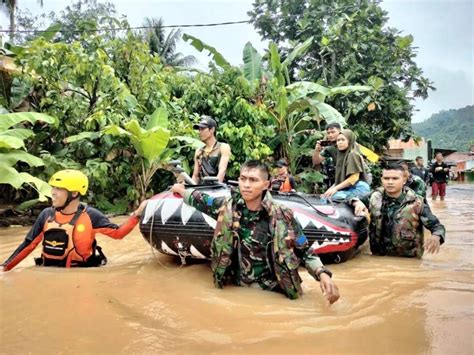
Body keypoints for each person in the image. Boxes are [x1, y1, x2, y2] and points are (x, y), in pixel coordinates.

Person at [171, 160, 340, 303]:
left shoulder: (282, 215)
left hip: (274, 292)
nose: (246, 185)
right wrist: (180, 190)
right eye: (243, 179)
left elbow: (305, 250)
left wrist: (322, 274)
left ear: (266, 184)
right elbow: (200, 200)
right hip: (236, 290)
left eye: (253, 180)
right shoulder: (227, 207)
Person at [2, 169, 148, 271]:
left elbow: (118, 233)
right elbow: (28, 244)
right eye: (53, 187)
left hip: (80, 276)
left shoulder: (91, 216)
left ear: (74, 193)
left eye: (59, 188)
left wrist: (137, 214)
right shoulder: (46, 214)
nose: (53, 192)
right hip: (48, 273)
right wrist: (4, 267)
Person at [350, 162, 445, 258]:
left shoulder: (417, 203)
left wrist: (436, 236)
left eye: (395, 178)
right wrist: (356, 202)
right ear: (381, 180)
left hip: (408, 261)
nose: (390, 182)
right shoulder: (374, 197)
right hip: (378, 257)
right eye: (386, 178)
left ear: (404, 180)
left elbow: (437, 226)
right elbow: (348, 198)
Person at [323, 129, 370, 200]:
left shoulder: (353, 154)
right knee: (324, 198)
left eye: (343, 140)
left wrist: (335, 189)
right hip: (348, 188)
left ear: (350, 141)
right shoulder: (342, 156)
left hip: (358, 188)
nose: (340, 142)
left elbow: (353, 178)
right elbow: (339, 181)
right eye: (338, 140)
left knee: (332, 198)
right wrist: (327, 192)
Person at [191, 115, 231, 184]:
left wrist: (215, 188)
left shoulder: (223, 147)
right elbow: (195, 176)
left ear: (212, 130)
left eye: (203, 129)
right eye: (199, 129)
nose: (200, 132)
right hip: (202, 188)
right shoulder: (199, 151)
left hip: (218, 188)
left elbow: (222, 171)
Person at [312, 122, 341, 188]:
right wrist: (317, 150)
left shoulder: (348, 143)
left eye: (333, 132)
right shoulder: (329, 148)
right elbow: (316, 161)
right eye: (328, 133)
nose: (330, 135)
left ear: (340, 132)